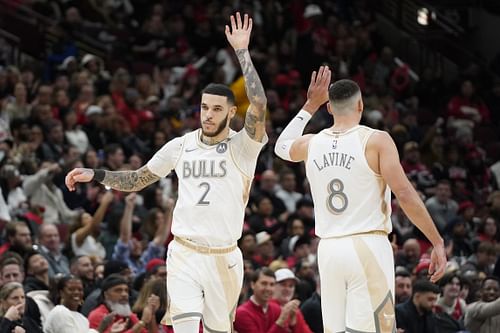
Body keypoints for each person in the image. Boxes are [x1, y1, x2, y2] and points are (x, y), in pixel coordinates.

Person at [65, 12, 267, 333]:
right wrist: (97, 173)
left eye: (216, 109)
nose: (208, 114)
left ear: (231, 111)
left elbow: (258, 104)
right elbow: (139, 177)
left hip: (224, 256)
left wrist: (241, 52)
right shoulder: (181, 145)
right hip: (184, 252)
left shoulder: (243, 145)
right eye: (204, 107)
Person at [274, 70, 447, 333]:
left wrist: (310, 104)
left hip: (329, 249)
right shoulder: (375, 140)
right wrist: (436, 241)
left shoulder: (312, 143)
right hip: (368, 245)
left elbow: (281, 145)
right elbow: (405, 194)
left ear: (329, 108)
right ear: (361, 105)